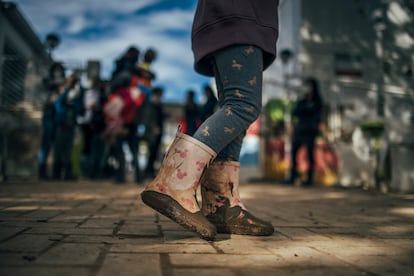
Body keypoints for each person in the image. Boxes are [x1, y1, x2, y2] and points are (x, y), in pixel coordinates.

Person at [141, 0, 279, 240]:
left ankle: (221, 206)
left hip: (231, 17)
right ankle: (174, 182)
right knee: (242, 105)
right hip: (240, 15)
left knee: (234, 110)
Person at [288, 77, 323, 187]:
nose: (306, 88)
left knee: (310, 155)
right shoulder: (302, 100)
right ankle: (293, 177)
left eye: (308, 86)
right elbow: (296, 112)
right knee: (294, 152)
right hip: (300, 129)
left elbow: (317, 114)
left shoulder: (317, 100)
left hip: (311, 130)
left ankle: (309, 179)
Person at [143, 87, 165, 178]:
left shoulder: (158, 104)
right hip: (153, 133)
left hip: (158, 132)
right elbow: (148, 118)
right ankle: (147, 171)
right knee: (151, 152)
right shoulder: (151, 103)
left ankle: (150, 171)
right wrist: (153, 127)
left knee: (154, 153)